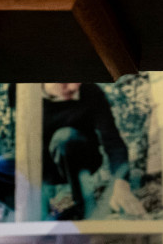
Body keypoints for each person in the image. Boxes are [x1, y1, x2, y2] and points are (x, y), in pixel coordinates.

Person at [39, 83, 146, 220]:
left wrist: (120, 183)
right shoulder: (24, 92)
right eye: (64, 82)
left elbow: (112, 141)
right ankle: (56, 210)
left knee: (65, 138)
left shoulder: (90, 91)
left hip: (81, 154)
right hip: (44, 167)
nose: (72, 88)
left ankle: (83, 208)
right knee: (3, 167)